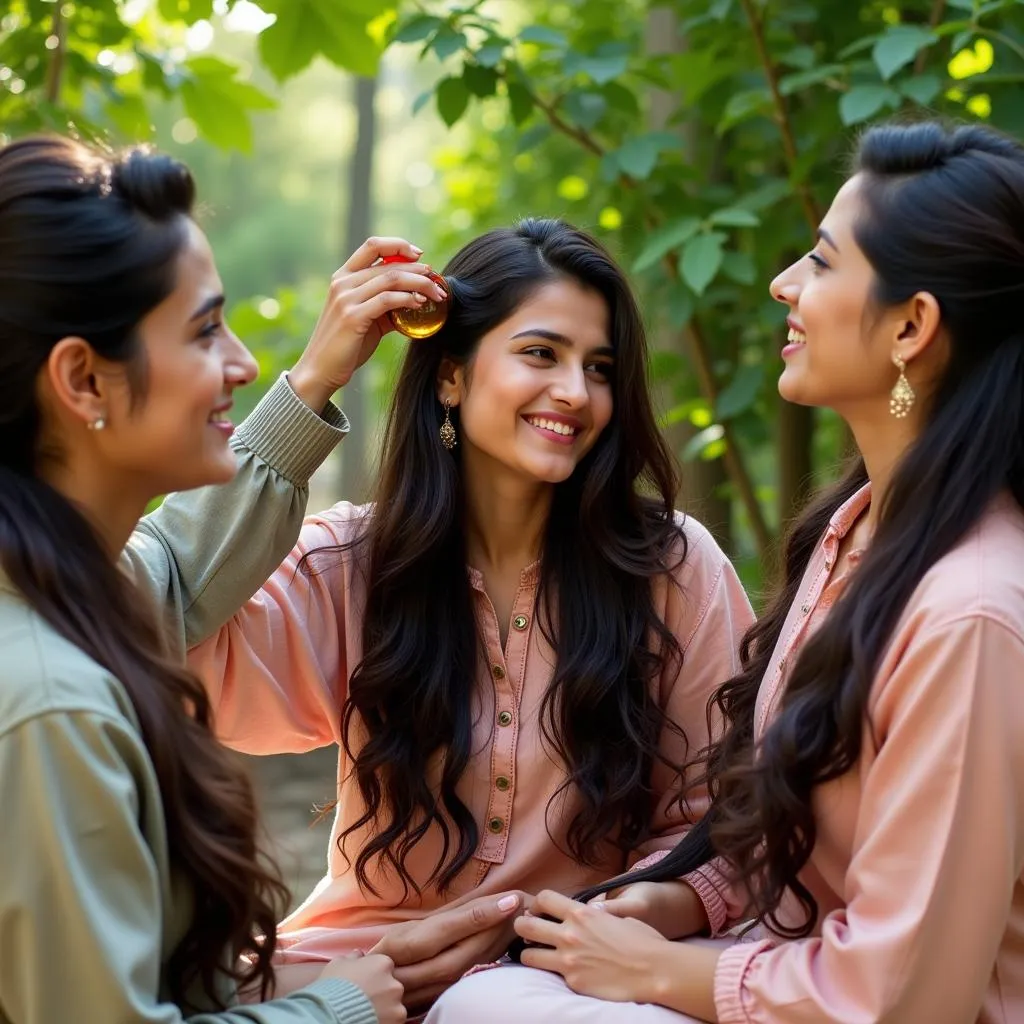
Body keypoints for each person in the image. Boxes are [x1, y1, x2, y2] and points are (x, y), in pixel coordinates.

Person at [424, 119, 1024, 1024]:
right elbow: (804, 848)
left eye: (821, 262)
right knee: (502, 994)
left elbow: (905, 999)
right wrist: (683, 900)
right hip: (783, 971)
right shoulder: (856, 538)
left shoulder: (970, 613)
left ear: (911, 325)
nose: (785, 284)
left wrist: (662, 973)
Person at [127, 216, 754, 1012]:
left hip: (576, 984)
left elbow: (728, 815)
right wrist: (314, 379)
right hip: (356, 971)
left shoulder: (672, 567)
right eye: (540, 353)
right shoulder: (347, 564)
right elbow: (153, 621)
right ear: (450, 375)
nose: (575, 391)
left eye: (599, 368)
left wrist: (661, 901)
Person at [0, 134, 409, 1024]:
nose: (242, 362)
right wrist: (343, 1005)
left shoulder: (60, 587)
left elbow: (177, 572)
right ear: (82, 378)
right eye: (203, 330)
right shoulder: (49, 704)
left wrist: (315, 380)